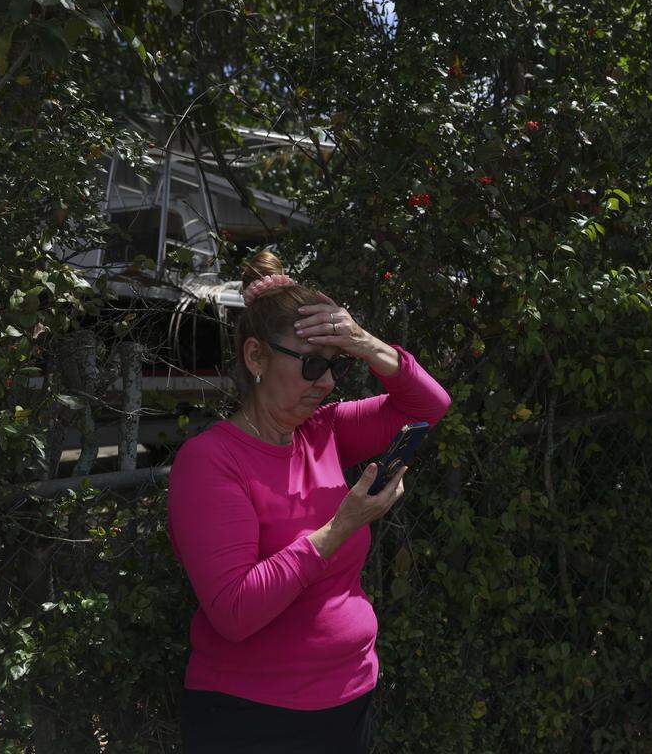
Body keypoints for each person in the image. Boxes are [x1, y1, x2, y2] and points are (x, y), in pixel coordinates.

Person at [167, 250, 451, 753]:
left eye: (335, 364)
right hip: (257, 719)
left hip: (349, 696)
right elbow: (233, 612)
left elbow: (430, 405)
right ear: (256, 357)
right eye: (313, 365)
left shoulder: (321, 431)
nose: (328, 382)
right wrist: (340, 527)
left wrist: (364, 342)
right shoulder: (211, 461)